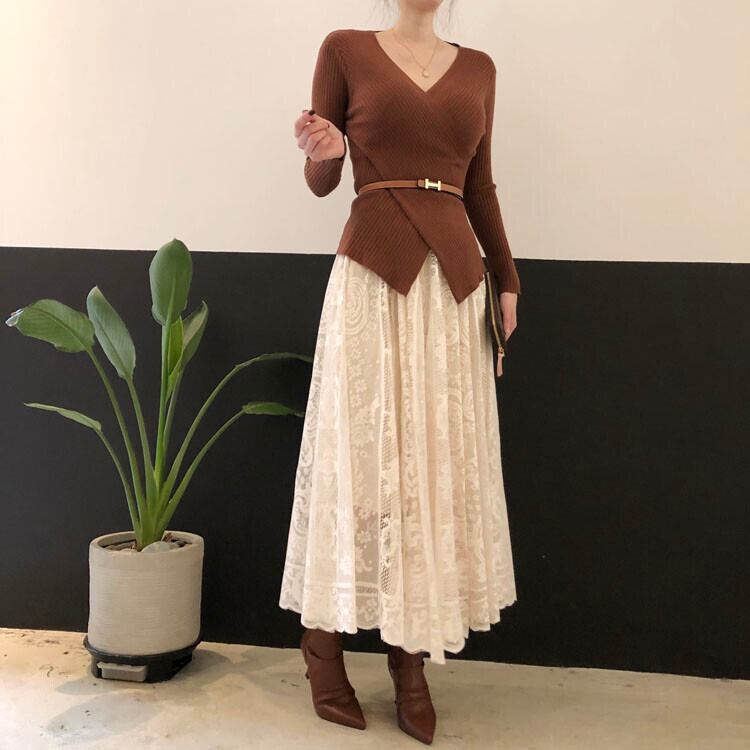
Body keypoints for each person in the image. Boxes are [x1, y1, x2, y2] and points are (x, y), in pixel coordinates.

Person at [279, 1, 521, 744]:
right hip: (372, 274)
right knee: (358, 460)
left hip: (454, 286)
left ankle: (410, 661)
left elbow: (480, 184)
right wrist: (324, 149)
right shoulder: (344, 49)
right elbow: (321, 180)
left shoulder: (479, 69)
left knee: (429, 470)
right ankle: (323, 645)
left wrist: (508, 279)